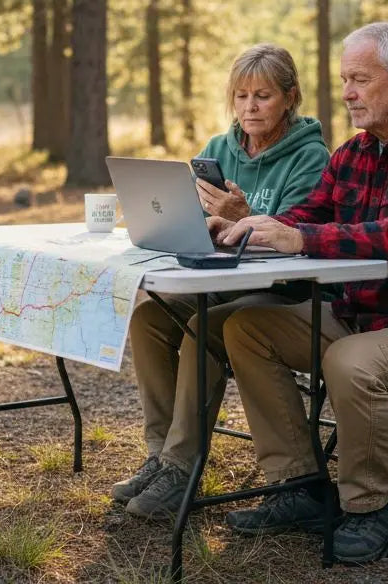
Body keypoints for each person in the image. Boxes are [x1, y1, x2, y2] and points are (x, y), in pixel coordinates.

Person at [208, 22, 388, 562]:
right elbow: (308, 215)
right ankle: (299, 487)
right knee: (245, 328)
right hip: (365, 320)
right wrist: (252, 224)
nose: (346, 92)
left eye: (360, 80)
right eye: (345, 79)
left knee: (350, 359)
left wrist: (299, 236)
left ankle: (371, 507)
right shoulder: (354, 154)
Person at [114, 43, 330, 518]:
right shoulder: (218, 149)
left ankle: (181, 465)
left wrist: (246, 217)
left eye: (263, 96)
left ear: (290, 98)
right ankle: (162, 455)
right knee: (148, 317)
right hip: (222, 279)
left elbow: (297, 231)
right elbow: (187, 213)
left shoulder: (310, 156)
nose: (249, 108)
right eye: (241, 96)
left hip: (281, 291)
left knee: (200, 329)